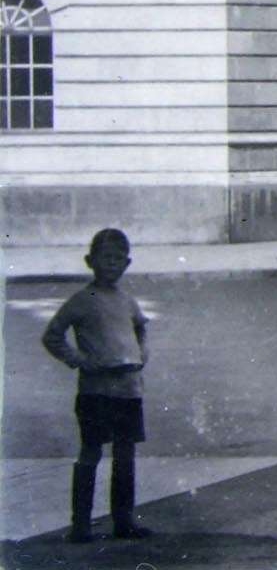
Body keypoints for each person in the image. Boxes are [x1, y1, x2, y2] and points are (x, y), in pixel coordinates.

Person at [42, 228, 153, 543]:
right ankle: (81, 525)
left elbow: (142, 329)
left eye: (119, 259)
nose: (112, 265)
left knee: (125, 455)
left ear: (127, 263)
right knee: (90, 453)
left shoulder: (128, 301)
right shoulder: (81, 300)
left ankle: (124, 520)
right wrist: (79, 360)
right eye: (106, 258)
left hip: (129, 389)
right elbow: (52, 335)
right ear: (90, 260)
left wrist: (142, 354)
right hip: (95, 390)